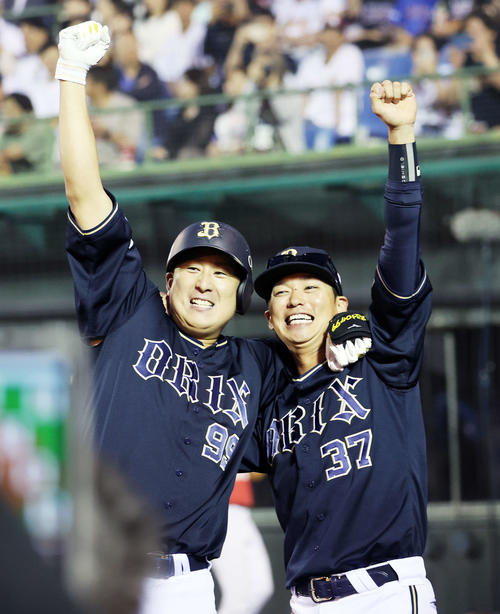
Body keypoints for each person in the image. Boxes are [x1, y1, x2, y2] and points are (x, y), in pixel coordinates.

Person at [55, 20, 369, 614]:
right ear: (168, 282)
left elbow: (312, 346)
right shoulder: (129, 309)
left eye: (222, 273)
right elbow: (84, 194)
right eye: (192, 269)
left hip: (189, 585)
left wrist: (348, 330)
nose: (205, 282)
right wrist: (71, 77)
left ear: (240, 294)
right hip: (100, 568)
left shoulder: (257, 365)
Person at [247, 80, 438, 612]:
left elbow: (401, 242)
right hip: (306, 601)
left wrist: (401, 135)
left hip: (385, 592)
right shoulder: (266, 400)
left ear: (339, 303)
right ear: (269, 318)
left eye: (311, 287)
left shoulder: (383, 357)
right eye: (281, 292)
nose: (295, 299)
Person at [211, 474, 274, 614]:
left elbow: (258, 472)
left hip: (243, 512)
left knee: (261, 589)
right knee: (238, 596)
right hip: (221, 512)